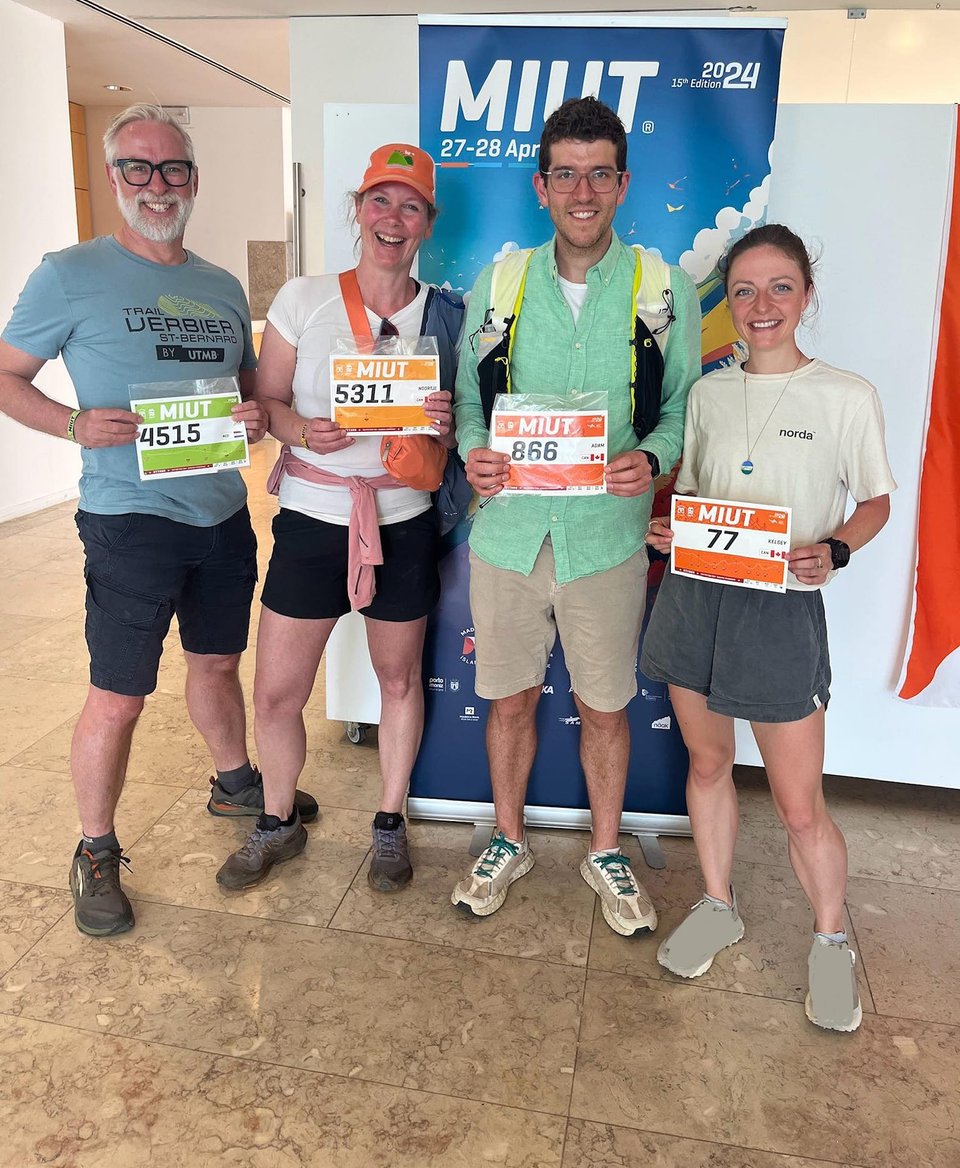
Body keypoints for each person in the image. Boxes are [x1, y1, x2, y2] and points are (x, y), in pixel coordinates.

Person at [0, 104, 317, 939]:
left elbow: (252, 389)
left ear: (193, 181)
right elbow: (5, 375)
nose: (156, 184)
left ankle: (233, 781)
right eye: (137, 168)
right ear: (113, 180)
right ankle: (95, 849)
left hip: (219, 516)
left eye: (172, 168)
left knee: (216, 667)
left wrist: (254, 416)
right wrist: (70, 423)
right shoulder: (69, 274)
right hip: (128, 519)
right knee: (119, 696)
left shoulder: (217, 286)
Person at [451, 97, 701, 934]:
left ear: (623, 183)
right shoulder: (503, 282)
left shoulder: (663, 288)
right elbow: (465, 401)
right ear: (542, 185)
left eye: (600, 174)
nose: (583, 191)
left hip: (606, 538)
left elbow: (681, 409)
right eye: (567, 175)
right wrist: (473, 452)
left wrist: (654, 458)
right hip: (511, 535)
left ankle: (604, 850)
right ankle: (509, 839)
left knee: (604, 706)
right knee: (511, 700)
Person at [641, 223, 894, 1031]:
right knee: (709, 766)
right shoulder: (708, 391)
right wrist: (670, 528)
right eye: (744, 289)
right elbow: (696, 490)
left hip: (783, 607)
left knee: (797, 804)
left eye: (780, 287)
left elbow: (876, 501)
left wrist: (834, 551)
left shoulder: (845, 395)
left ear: (806, 296)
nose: (760, 306)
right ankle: (719, 904)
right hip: (697, 596)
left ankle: (829, 942)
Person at [215, 143, 466, 895]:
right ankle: (278, 820)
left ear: (428, 221)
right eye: (380, 201)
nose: (393, 218)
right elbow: (268, 403)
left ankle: (390, 821)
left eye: (410, 204)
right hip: (314, 515)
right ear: (358, 210)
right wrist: (300, 431)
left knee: (399, 679)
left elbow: (459, 434)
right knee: (276, 693)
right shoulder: (304, 298)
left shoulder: (448, 315)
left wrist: (443, 423)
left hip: (405, 518)